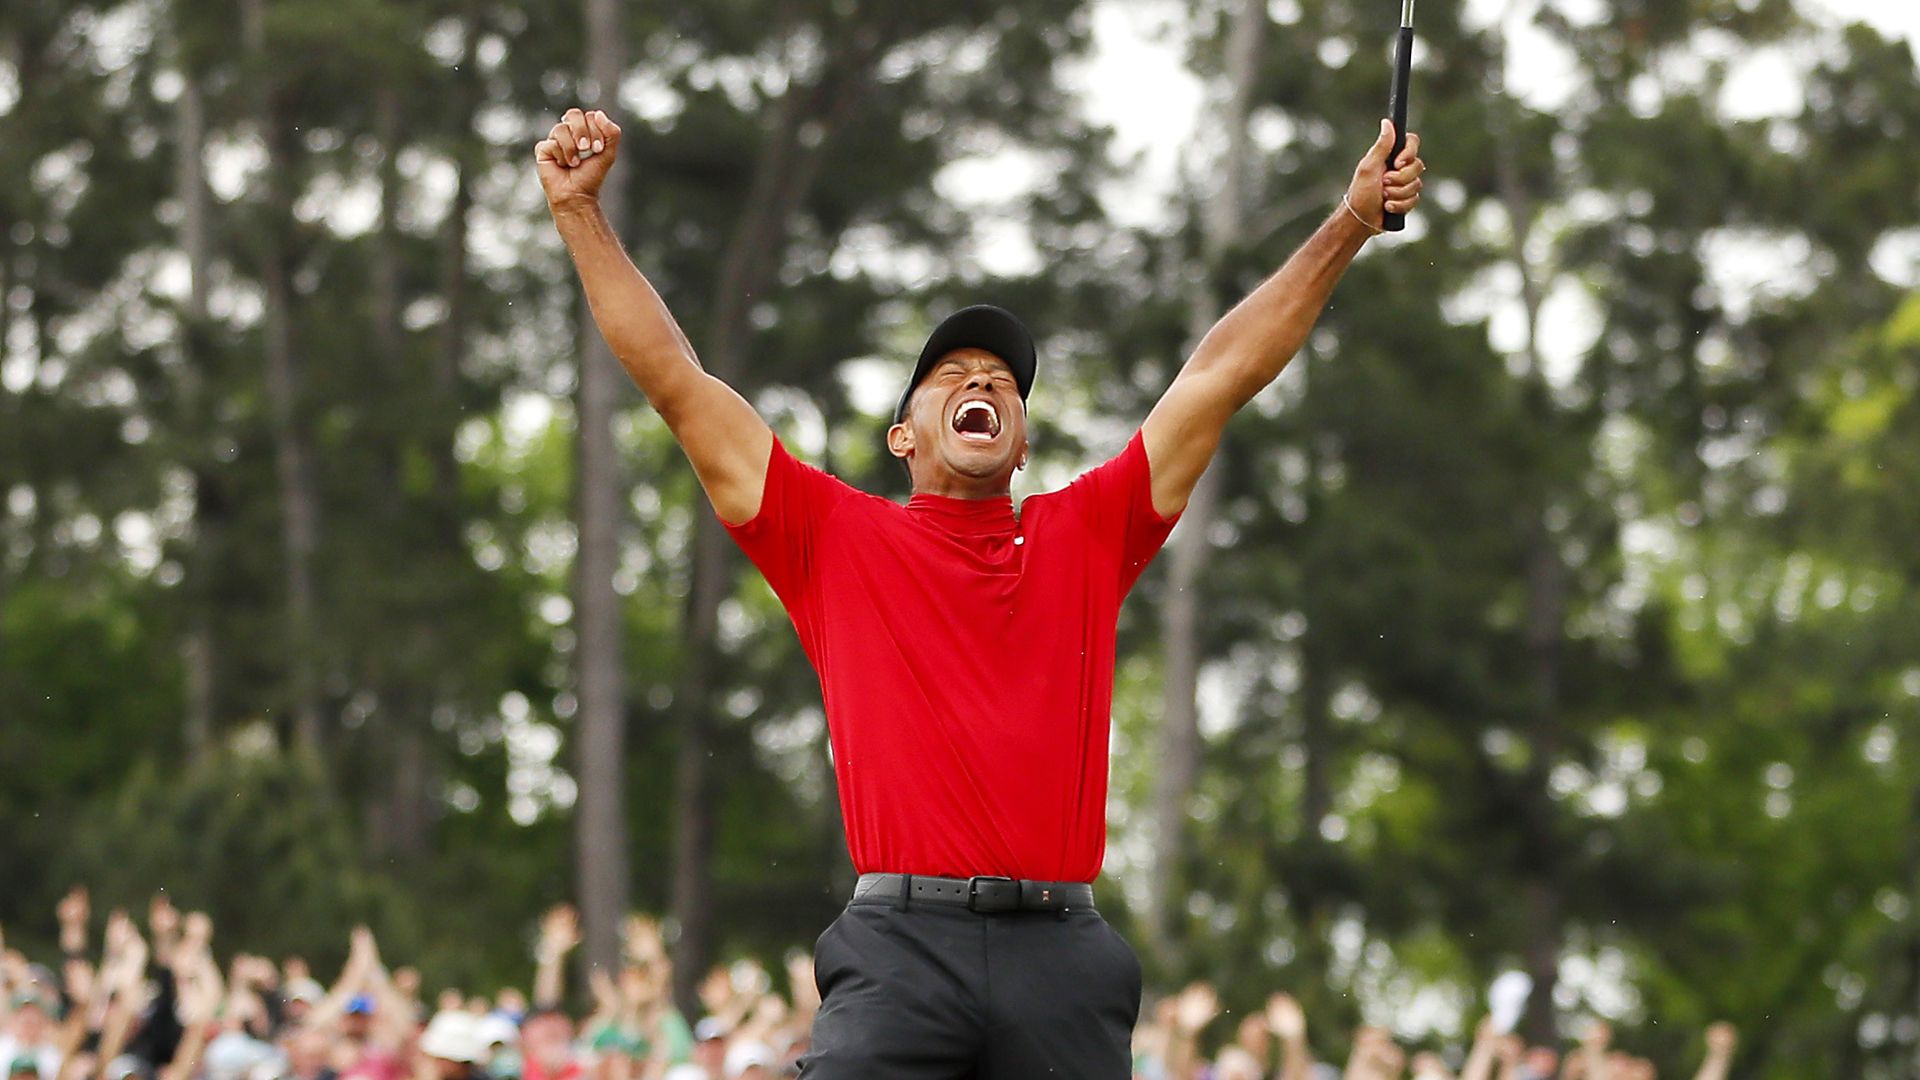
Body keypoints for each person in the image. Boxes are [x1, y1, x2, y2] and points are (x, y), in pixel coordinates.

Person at [536, 96, 1423, 1078]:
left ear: (1023, 440)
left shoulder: (1086, 532)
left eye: (1005, 380)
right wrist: (580, 213)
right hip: (900, 951)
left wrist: (1348, 224)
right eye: (954, 373)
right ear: (905, 434)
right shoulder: (831, 535)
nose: (986, 384)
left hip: (1061, 955)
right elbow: (675, 380)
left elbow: (1218, 375)